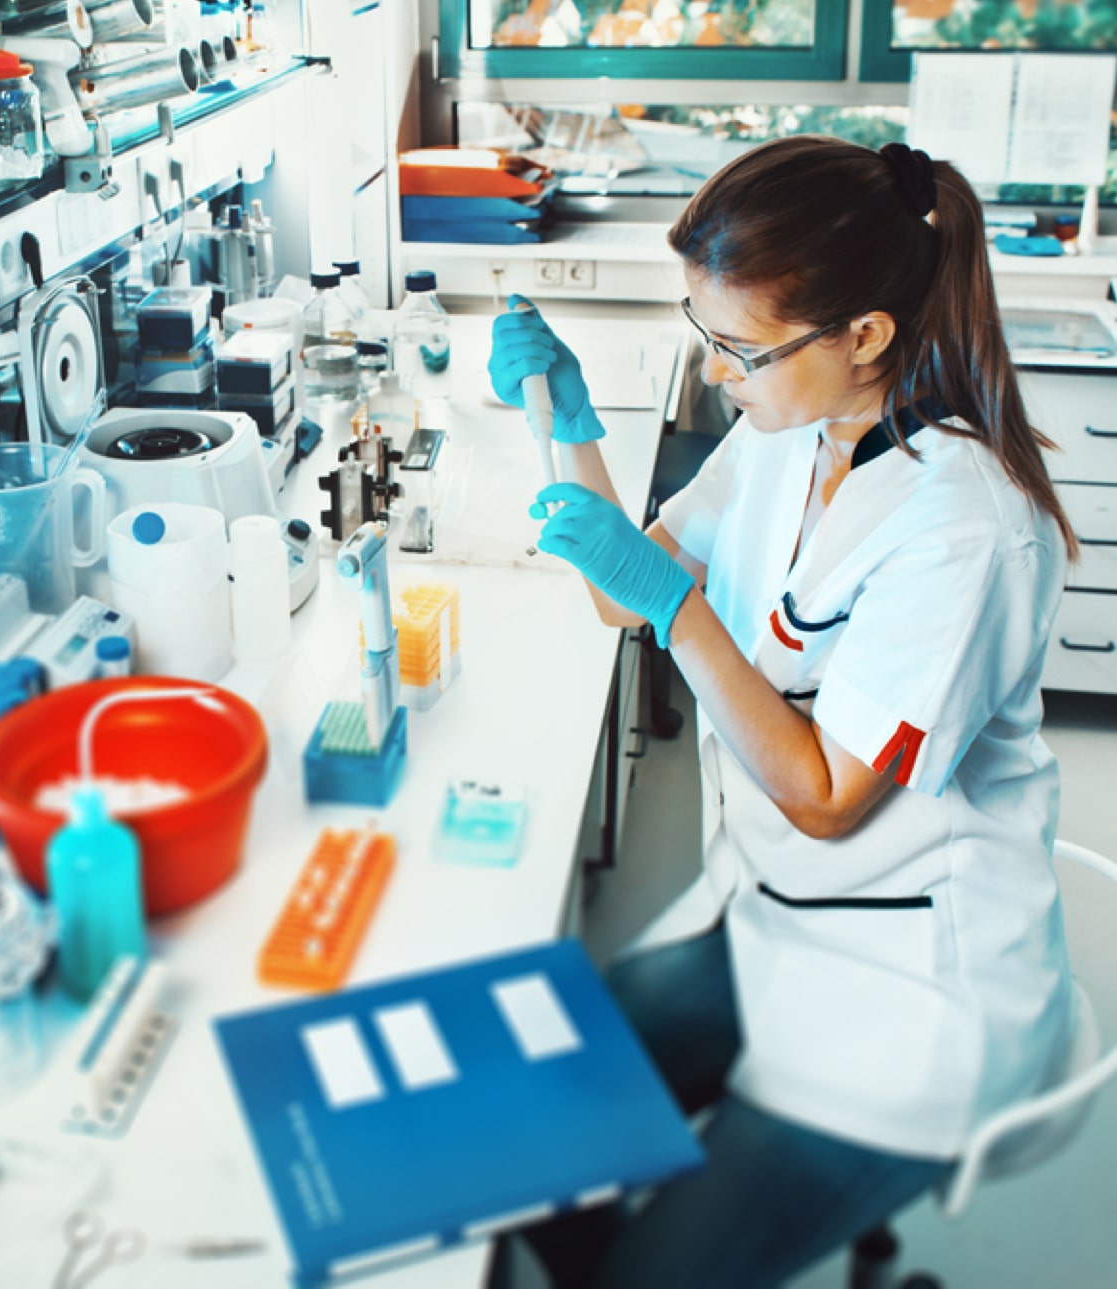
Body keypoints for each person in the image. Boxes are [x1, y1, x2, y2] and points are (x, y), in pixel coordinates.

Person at [485, 136, 1080, 1288]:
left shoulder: (961, 529)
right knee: (512, 1124)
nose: (714, 372)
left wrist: (683, 613)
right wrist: (561, 414)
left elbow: (820, 795)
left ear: (863, 334)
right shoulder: (786, 431)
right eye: (700, 334)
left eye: (738, 348)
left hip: (908, 996)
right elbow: (626, 592)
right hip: (770, 921)